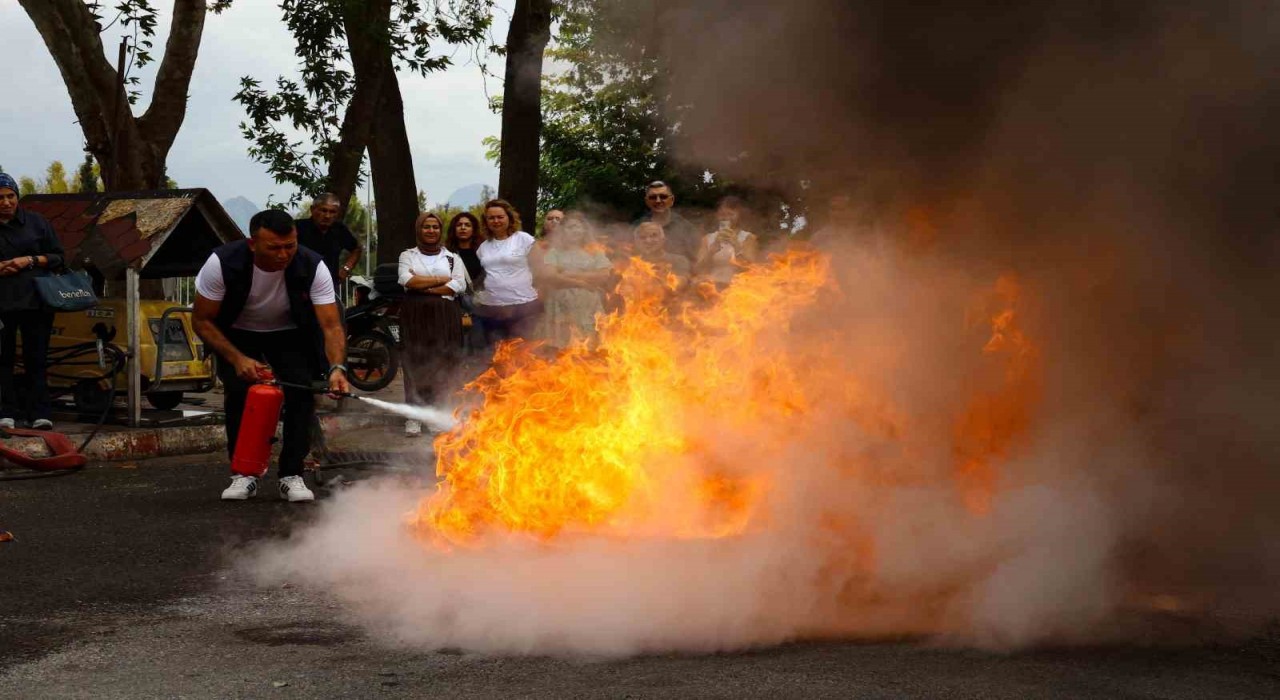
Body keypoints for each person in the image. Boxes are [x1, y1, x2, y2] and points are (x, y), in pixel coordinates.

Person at [193, 209, 350, 503]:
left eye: (289, 246)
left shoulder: (312, 265)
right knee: (240, 393)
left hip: (291, 332)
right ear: (253, 244)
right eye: (274, 247)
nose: (283, 255)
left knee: (301, 393)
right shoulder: (222, 262)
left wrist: (337, 368)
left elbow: (330, 325)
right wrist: (238, 359)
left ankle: (292, 474)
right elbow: (202, 321)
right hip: (236, 332)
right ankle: (244, 474)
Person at [0, 173, 64, 431]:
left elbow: (59, 257)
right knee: (2, 359)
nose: (6, 202)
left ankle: (40, 412)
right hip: (2, 304)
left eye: (10, 196)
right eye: (0, 198)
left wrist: (30, 260)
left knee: (35, 358)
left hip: (36, 302)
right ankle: (6, 412)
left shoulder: (37, 223)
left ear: (17, 197)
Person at [397, 212, 466, 437]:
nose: (431, 231)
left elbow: (459, 285)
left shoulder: (452, 258)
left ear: (440, 230)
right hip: (414, 315)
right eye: (426, 227)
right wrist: (440, 281)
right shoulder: (407, 255)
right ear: (419, 229)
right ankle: (414, 416)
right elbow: (407, 280)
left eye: (435, 227)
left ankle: (435, 414)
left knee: (441, 362)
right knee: (415, 361)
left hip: (445, 316)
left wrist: (424, 287)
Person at [534, 211, 613, 348]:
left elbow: (603, 275)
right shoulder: (555, 252)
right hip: (560, 304)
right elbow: (550, 276)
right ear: (563, 231)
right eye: (570, 227)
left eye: (578, 226)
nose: (575, 230)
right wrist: (581, 282)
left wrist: (568, 273)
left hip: (588, 304)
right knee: (562, 347)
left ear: (584, 230)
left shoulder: (595, 252)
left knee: (588, 345)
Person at [473, 198, 543, 345]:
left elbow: (540, 268)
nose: (496, 221)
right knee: (498, 354)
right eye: (491, 218)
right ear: (486, 221)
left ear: (509, 218)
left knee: (524, 353)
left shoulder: (524, 239)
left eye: (500, 217)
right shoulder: (483, 247)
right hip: (493, 309)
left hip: (523, 307)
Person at [295, 193, 361, 296]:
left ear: (337, 213)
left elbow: (356, 249)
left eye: (332, 212)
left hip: (329, 287)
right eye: (323, 210)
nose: (327, 216)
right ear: (312, 209)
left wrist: (346, 268)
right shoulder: (297, 228)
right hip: (300, 288)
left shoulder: (339, 230)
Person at [693, 195, 760, 288]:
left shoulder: (748, 238)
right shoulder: (707, 239)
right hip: (711, 287)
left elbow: (751, 269)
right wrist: (711, 252)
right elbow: (698, 270)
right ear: (717, 215)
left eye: (731, 214)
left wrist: (737, 246)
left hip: (739, 287)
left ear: (739, 215)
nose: (726, 218)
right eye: (722, 214)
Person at [444, 211, 485, 354]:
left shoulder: (483, 251)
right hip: (454, 306)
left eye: (467, 225)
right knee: (457, 348)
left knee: (480, 346)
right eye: (459, 225)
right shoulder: (446, 254)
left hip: (480, 306)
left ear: (473, 229)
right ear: (454, 229)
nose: (463, 228)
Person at [634, 180, 700, 263]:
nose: (658, 201)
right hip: (643, 274)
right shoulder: (636, 226)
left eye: (663, 196)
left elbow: (694, 261)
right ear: (647, 201)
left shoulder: (687, 228)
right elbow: (628, 256)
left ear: (672, 200)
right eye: (653, 197)